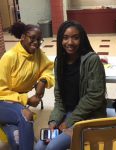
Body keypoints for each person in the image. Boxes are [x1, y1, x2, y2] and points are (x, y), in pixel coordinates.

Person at [34, 20, 107, 150]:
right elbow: (59, 98)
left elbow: (95, 97)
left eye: (75, 38)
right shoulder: (59, 61)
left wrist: (69, 122)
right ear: (60, 40)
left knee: (52, 147)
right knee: (40, 146)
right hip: (69, 114)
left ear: (82, 39)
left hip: (89, 116)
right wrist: (54, 121)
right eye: (65, 38)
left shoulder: (92, 60)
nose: (70, 42)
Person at [0, 22, 54, 150]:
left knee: (18, 139)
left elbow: (48, 68)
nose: (36, 42)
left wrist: (43, 80)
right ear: (23, 37)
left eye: (39, 40)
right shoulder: (9, 57)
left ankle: (6, 124)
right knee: (26, 116)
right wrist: (27, 100)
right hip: (2, 100)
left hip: (15, 103)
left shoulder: (37, 54)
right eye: (32, 38)